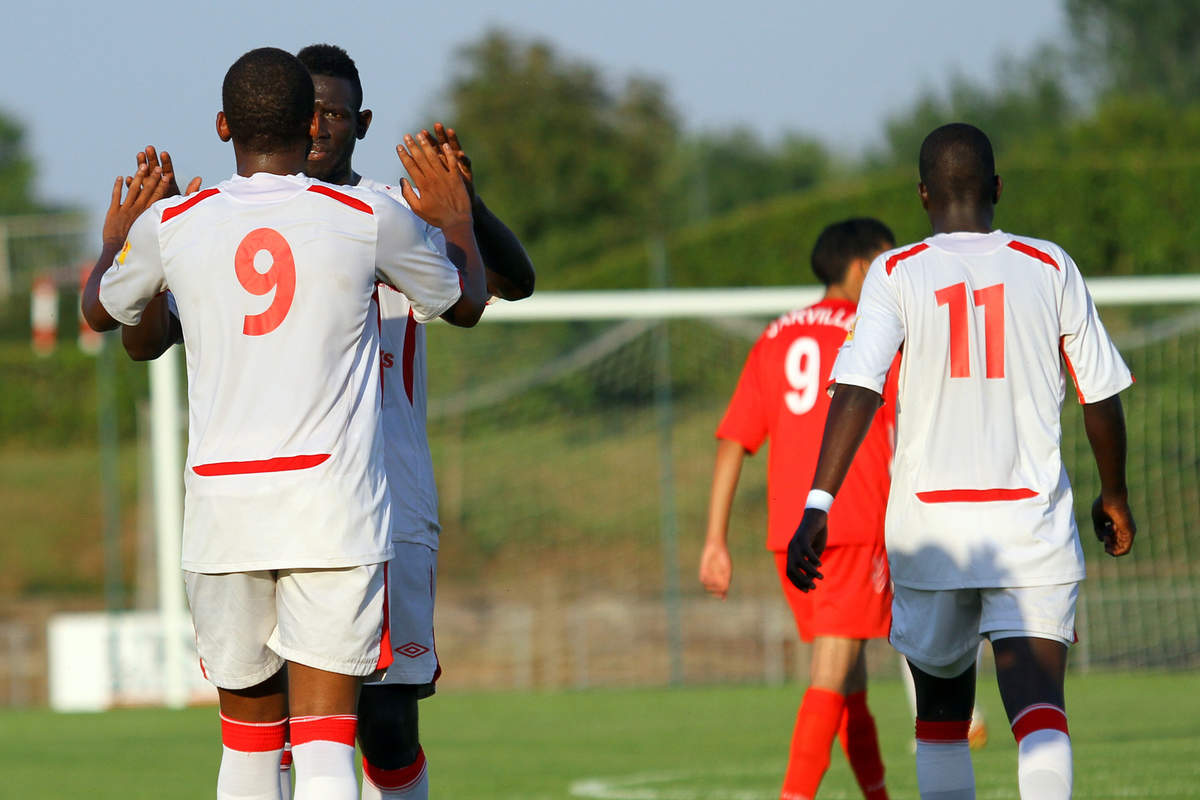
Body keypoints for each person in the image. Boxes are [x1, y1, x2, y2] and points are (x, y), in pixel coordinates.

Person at [82, 46, 489, 800]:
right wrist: (460, 219)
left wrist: (118, 237)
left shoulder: (176, 222)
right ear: (310, 125)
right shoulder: (365, 216)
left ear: (222, 126)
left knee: (249, 748)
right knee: (328, 745)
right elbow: (463, 304)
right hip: (331, 510)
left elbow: (104, 312)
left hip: (222, 513)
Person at [786, 122, 1136, 800]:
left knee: (942, 719)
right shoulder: (1050, 265)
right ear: (997, 187)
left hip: (930, 530)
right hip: (1028, 524)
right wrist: (1114, 494)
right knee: (1038, 707)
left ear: (923, 195)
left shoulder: (895, 271)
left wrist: (818, 503)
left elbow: (858, 388)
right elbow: (1099, 394)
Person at [295, 43, 534, 800]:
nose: (319, 127)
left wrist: (467, 207)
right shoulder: (249, 217)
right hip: (290, 498)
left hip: (391, 494)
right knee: (288, 725)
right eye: (307, 111)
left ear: (362, 123)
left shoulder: (397, 211)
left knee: (389, 722)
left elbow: (513, 282)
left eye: (336, 114)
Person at [700, 218, 897, 800]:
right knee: (832, 673)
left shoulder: (775, 335)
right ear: (861, 268)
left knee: (850, 681)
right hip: (852, 519)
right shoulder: (875, 331)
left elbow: (734, 439)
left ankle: (878, 795)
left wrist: (715, 540)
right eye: (886, 263)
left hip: (792, 533)